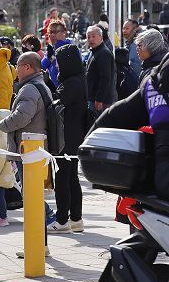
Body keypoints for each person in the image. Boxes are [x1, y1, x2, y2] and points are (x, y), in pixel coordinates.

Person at [93, 49, 169, 201]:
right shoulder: (153, 82)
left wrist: (92, 141)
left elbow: (117, 115)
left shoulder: (152, 84)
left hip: (160, 179)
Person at [0, 52, 54, 257]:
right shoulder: (40, 85)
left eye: (18, 66)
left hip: (30, 152)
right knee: (33, 196)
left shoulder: (30, 88)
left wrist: (2, 124)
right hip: (36, 151)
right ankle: (41, 244)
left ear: (28, 67)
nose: (15, 70)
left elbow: (22, 117)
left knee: (31, 198)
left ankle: (38, 244)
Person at [48, 44, 87, 233]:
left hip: (65, 137)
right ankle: (76, 219)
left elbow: (56, 102)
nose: (57, 65)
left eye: (59, 61)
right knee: (71, 177)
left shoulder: (72, 82)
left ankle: (62, 220)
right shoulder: (79, 78)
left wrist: (48, 83)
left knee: (62, 178)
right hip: (74, 136)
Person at [85, 25, 116, 117]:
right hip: (93, 98)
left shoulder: (104, 53)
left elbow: (105, 78)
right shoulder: (94, 51)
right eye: (88, 37)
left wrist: (99, 99)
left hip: (101, 101)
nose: (91, 39)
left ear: (101, 38)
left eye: (93, 36)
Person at [41, 20, 73, 86]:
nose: (52, 35)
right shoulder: (52, 50)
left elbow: (63, 71)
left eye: (55, 32)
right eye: (50, 32)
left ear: (64, 33)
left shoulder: (71, 49)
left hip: (66, 88)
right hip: (53, 89)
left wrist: (52, 59)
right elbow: (41, 66)